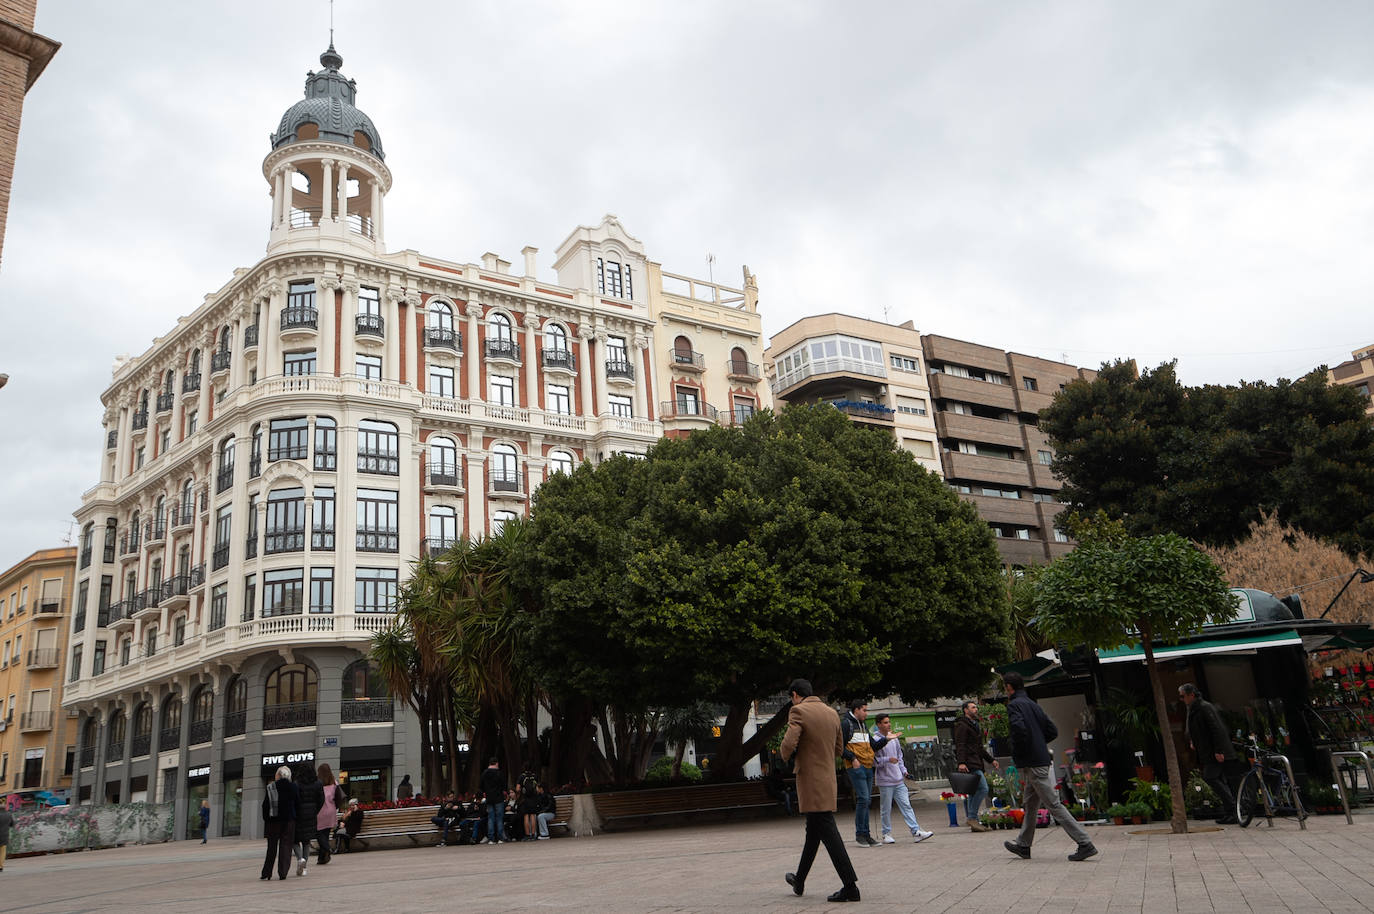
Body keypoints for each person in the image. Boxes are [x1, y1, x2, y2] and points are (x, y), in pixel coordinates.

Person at [779, 678, 860, 903]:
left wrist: (785, 755)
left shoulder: (798, 711)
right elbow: (838, 748)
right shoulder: (831, 713)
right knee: (813, 832)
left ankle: (850, 886)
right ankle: (799, 880)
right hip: (827, 778)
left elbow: (788, 744)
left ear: (795, 695)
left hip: (810, 780)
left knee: (827, 830)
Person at [1001, 672, 1097, 862]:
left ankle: (1085, 842)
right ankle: (1023, 845)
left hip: (1032, 762)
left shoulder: (1014, 705)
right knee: (1030, 804)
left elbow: (1019, 730)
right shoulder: (1033, 704)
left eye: (1005, 687)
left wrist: (1020, 750)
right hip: (1040, 758)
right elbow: (1052, 730)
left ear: (1009, 687)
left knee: (1053, 804)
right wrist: (1038, 743)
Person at [1180, 683, 1239, 824]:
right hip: (1208, 751)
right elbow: (1198, 728)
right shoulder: (1194, 708)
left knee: (1210, 777)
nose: (1181, 699)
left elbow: (1216, 729)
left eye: (1183, 696)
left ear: (1191, 695)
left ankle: (1233, 808)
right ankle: (1231, 811)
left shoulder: (1204, 707)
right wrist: (1193, 740)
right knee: (1219, 779)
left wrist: (1219, 750)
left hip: (1215, 751)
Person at [871, 713, 934, 843]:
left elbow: (899, 757)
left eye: (889, 722)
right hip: (885, 780)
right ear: (878, 724)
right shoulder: (875, 740)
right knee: (886, 808)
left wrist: (904, 771)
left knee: (906, 805)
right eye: (885, 722)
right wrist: (888, 759)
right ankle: (886, 834)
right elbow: (873, 761)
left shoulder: (894, 738)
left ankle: (916, 831)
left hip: (898, 779)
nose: (888, 724)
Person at [953, 699, 998, 831]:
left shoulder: (974, 724)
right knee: (983, 788)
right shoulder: (962, 725)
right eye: (972, 707)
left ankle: (974, 823)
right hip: (969, 763)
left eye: (976, 707)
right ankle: (972, 818)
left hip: (976, 761)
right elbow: (960, 745)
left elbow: (979, 747)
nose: (976, 709)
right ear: (966, 710)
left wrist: (991, 760)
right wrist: (961, 762)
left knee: (973, 791)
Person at [840, 699, 877, 847]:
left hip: (868, 766)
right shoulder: (846, 724)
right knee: (863, 799)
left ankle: (866, 835)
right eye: (864, 710)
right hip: (856, 766)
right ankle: (860, 834)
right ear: (856, 710)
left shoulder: (863, 725)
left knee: (867, 800)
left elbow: (873, 745)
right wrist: (852, 758)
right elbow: (838, 746)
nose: (866, 713)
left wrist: (886, 739)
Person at [261, 765, 298, 880]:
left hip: (273, 821)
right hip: (289, 820)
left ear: (278, 775)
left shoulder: (270, 787)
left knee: (271, 847)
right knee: (286, 846)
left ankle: (267, 872)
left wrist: (266, 819)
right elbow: (297, 803)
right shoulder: (293, 787)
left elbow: (265, 805)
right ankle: (283, 872)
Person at [293, 762, 324, 876]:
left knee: (294, 840)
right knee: (306, 841)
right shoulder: (318, 783)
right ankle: (304, 865)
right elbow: (321, 800)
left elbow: (294, 800)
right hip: (311, 815)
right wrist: (315, 810)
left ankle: (300, 859)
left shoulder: (297, 783)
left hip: (299, 815)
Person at [316, 763, 346, 864]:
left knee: (319, 834)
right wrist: (334, 807)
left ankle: (327, 849)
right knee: (326, 834)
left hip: (320, 812)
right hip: (331, 811)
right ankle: (322, 858)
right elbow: (339, 798)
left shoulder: (317, 784)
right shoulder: (334, 783)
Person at [479, 758, 506, 844]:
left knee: (491, 818)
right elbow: (503, 785)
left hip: (489, 798)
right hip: (499, 798)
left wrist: (486, 792)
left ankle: (491, 838)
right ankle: (500, 838)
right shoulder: (499, 773)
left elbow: (481, 785)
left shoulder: (485, 773)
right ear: (496, 763)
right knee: (499, 818)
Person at [0, 802, 14, 872]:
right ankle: (0, 866)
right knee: (2, 852)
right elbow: (12, 824)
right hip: (4, 836)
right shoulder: (9, 814)